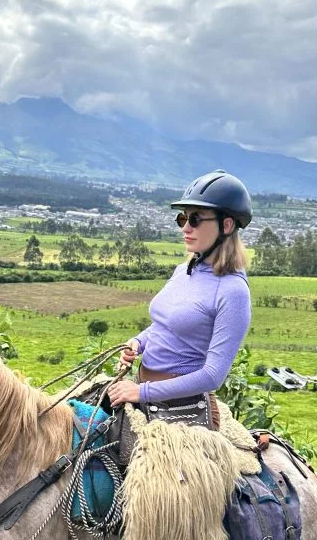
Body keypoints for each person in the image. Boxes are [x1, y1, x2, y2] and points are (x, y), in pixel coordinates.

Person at [107, 170, 253, 408]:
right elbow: (165, 325)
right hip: (141, 387)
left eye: (195, 219)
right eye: (182, 219)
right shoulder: (184, 270)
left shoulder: (233, 291)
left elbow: (213, 375)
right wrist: (138, 342)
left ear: (226, 225)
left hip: (180, 406)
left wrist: (142, 392)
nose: (185, 228)